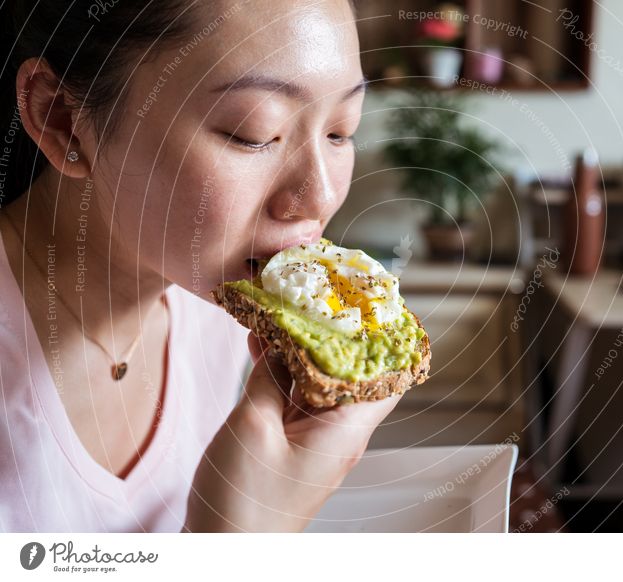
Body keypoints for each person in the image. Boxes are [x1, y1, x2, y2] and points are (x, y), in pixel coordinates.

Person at [0, 0, 398, 532]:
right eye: (253, 133)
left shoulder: (220, 307)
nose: (320, 196)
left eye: (341, 131)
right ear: (63, 120)